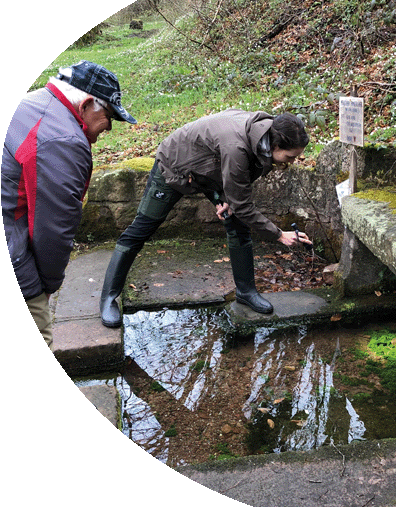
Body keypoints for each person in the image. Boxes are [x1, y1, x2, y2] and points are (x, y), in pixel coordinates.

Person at [100, 109, 312, 327]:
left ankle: (246, 292)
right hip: (175, 166)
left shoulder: (266, 133)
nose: (293, 161)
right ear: (276, 146)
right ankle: (108, 298)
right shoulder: (236, 146)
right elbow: (244, 203)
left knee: (237, 224)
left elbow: (243, 176)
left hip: (211, 169)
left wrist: (230, 197)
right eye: (291, 156)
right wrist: (279, 235)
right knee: (141, 229)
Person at [2, 60, 137, 349]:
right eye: (110, 116)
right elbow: (53, 231)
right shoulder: (62, 140)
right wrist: (45, 288)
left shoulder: (32, 103)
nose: (109, 128)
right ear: (87, 104)